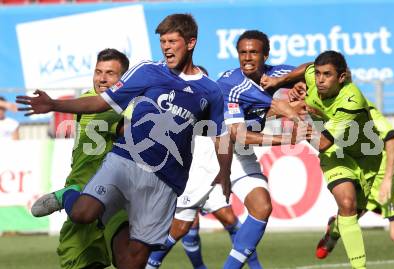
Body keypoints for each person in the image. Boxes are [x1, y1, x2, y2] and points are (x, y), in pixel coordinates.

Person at [17, 13, 232, 269]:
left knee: (133, 262)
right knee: (82, 213)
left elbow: (221, 134)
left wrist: (225, 173)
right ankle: (69, 196)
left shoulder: (210, 90)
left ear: (191, 42)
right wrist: (54, 104)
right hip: (126, 160)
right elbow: (100, 101)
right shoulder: (147, 71)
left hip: (167, 181)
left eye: (172, 41)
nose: (166, 47)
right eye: (163, 41)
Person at [261, 50, 394, 269]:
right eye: (319, 74)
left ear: (342, 78)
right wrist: (282, 84)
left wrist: (292, 112)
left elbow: (389, 142)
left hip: (381, 168)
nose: (320, 79)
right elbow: (308, 70)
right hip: (340, 155)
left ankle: (334, 229)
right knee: (347, 204)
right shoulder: (315, 83)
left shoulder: (354, 103)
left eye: (327, 75)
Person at [146, 67, 262, 269]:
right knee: (179, 228)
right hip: (192, 178)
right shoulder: (186, 111)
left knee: (230, 220)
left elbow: (231, 134)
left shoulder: (219, 109)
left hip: (215, 176)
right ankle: (151, 264)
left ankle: (256, 267)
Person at [216, 30, 310, 269]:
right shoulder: (230, 84)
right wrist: (286, 138)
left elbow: (313, 68)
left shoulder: (275, 74)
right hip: (213, 150)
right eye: (242, 52)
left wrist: (294, 83)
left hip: (238, 154)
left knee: (261, 207)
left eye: (254, 52)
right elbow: (238, 134)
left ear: (265, 55)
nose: (247, 57)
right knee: (180, 227)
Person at [30, 48, 130, 269]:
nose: (102, 78)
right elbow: (132, 131)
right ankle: (68, 195)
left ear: (123, 78)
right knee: (83, 263)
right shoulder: (98, 104)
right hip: (84, 191)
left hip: (117, 195)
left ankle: (67, 195)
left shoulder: (122, 104)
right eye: (98, 71)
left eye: (110, 73)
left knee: (129, 260)